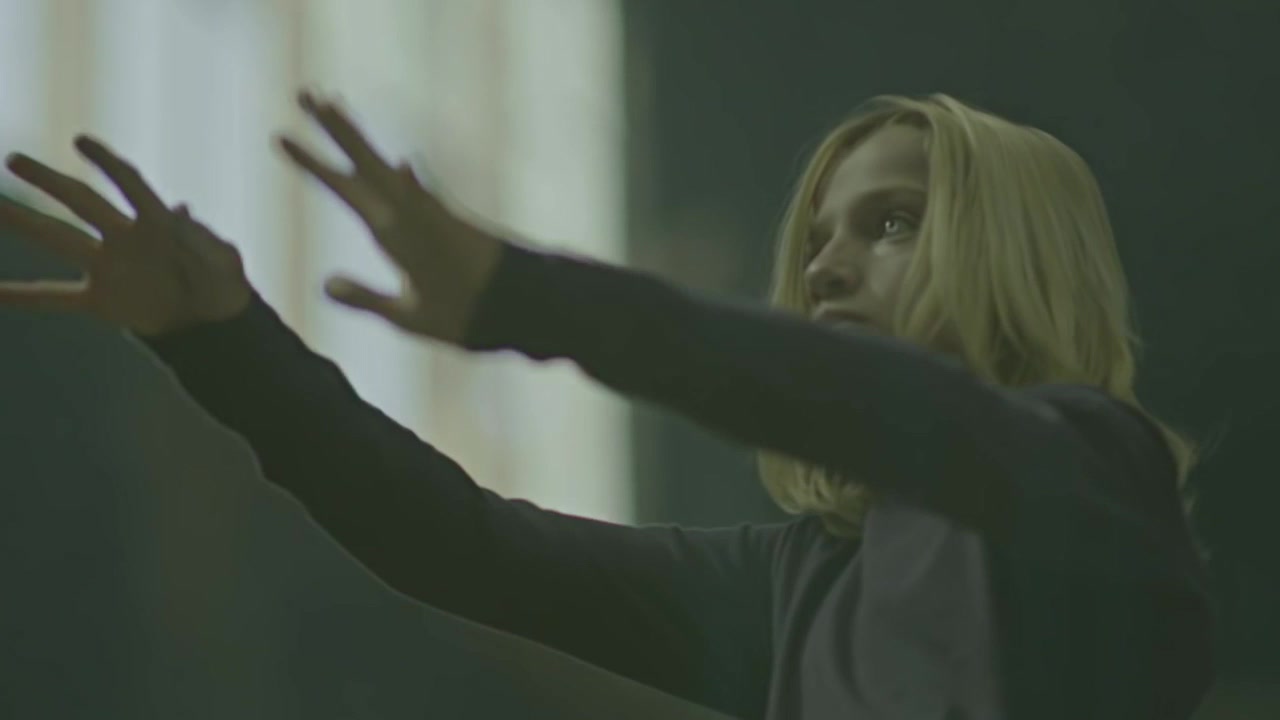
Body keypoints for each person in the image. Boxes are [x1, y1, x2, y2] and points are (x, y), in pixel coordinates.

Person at [0, 91, 1213, 719]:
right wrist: (223, 342)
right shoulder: (800, 582)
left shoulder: (1094, 473)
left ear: (1012, 250)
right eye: (815, 241)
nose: (828, 267)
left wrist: (522, 294)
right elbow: (467, 546)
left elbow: (900, 413)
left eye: (889, 222)